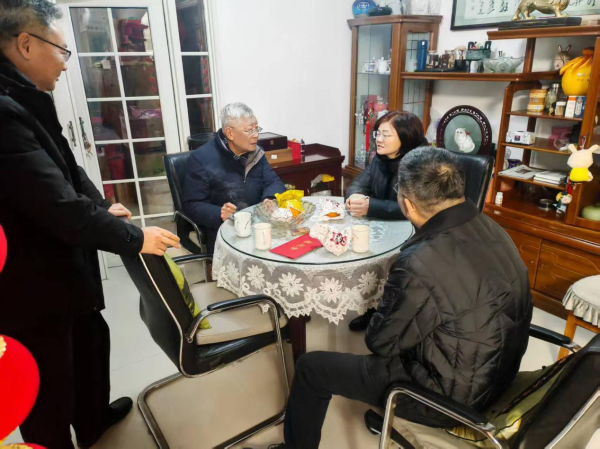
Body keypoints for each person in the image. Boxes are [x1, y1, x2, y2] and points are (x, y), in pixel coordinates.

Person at [0, 2, 181, 448]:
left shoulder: (28, 97)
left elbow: (68, 169)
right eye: (62, 51)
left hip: (66, 267)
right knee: (50, 381)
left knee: (91, 343)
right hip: (33, 280)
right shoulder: (4, 113)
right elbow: (58, 205)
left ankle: (94, 420)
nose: (66, 64)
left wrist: (102, 206)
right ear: (26, 44)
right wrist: (136, 238)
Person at [268, 147, 533, 449]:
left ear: (407, 204)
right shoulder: (493, 228)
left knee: (311, 367)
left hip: (449, 399)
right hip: (500, 374)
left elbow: (381, 342)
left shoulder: (421, 260)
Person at [345, 110, 428, 332]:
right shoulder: (380, 159)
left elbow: (413, 206)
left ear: (405, 137)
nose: (379, 140)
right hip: (384, 224)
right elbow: (358, 183)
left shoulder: (421, 164)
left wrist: (371, 206)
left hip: (415, 231)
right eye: (378, 134)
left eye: (386, 135)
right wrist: (355, 196)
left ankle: (391, 314)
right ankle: (373, 308)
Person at [183, 102, 286, 252]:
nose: (256, 135)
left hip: (258, 224)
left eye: (256, 128)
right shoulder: (201, 159)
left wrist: (269, 198)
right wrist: (219, 213)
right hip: (223, 231)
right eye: (249, 130)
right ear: (230, 133)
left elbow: (273, 181)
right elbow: (191, 204)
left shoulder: (256, 153)